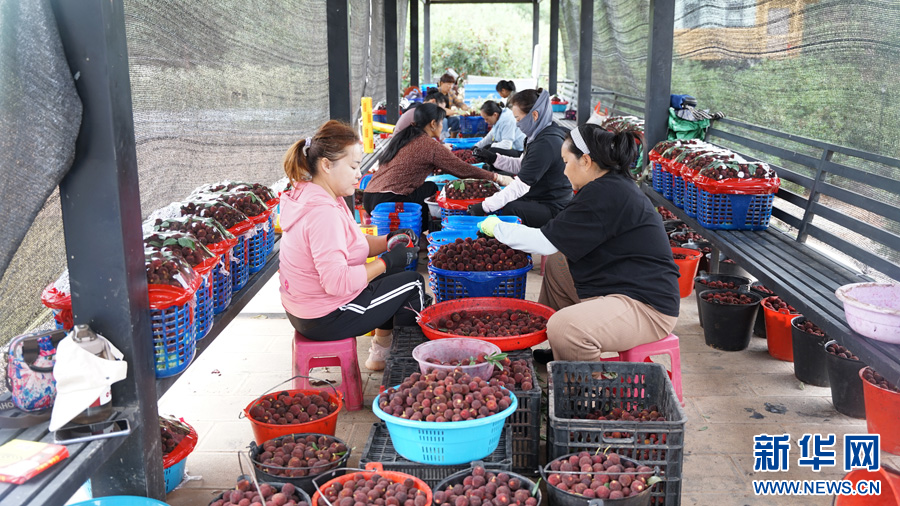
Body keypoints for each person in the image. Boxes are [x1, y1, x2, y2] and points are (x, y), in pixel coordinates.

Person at [477, 124, 680, 364]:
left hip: (648, 307)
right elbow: (555, 240)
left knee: (565, 328)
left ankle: (583, 378)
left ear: (585, 160)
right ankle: (564, 352)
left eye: (565, 162)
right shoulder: (604, 186)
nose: (564, 171)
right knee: (558, 261)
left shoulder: (605, 193)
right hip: (619, 286)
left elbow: (543, 242)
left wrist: (496, 227)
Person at [279, 120, 424, 371]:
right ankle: (406, 367)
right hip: (326, 316)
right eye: (354, 166)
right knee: (413, 284)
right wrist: (386, 261)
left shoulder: (316, 195)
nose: (359, 174)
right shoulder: (323, 213)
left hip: (304, 310)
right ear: (326, 165)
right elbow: (336, 282)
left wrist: (389, 240)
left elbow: (352, 244)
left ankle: (381, 353)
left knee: (394, 274)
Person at [364, 103, 513, 223]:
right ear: (433, 124)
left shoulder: (405, 138)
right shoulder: (428, 144)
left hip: (370, 197)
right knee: (431, 188)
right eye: (441, 122)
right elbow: (462, 169)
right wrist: (496, 177)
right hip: (388, 200)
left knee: (425, 187)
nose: (442, 126)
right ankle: (420, 230)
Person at [468, 89, 572, 227]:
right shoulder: (538, 135)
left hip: (553, 206)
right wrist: (493, 158)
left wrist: (484, 207)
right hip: (540, 197)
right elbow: (522, 165)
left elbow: (520, 186)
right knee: (506, 200)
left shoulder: (545, 144)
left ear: (534, 115)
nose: (517, 123)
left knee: (510, 209)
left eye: (518, 118)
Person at [438, 73, 468, 137]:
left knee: (456, 119)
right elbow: (441, 110)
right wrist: (458, 112)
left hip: (447, 117)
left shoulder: (450, 93)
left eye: (452, 84)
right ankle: (443, 139)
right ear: (441, 83)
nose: (450, 86)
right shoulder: (436, 93)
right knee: (444, 121)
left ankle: (453, 139)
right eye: (448, 84)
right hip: (436, 119)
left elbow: (458, 102)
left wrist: (465, 107)